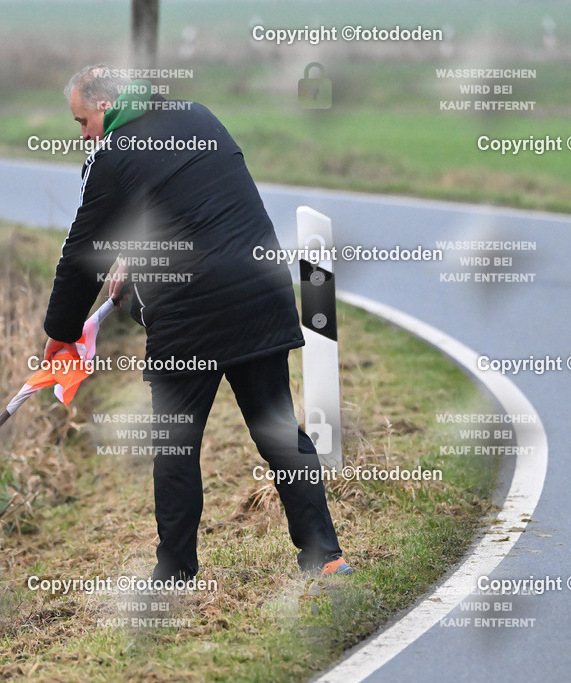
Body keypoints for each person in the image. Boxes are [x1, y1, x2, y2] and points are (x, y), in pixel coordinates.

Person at [42, 65, 352, 581]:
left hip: (192, 316)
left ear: (103, 105)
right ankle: (326, 556)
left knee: (175, 444)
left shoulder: (115, 156)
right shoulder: (199, 117)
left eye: (82, 121)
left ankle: (177, 572)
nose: (84, 135)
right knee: (277, 431)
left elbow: (80, 256)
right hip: (259, 292)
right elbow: (197, 209)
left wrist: (61, 334)